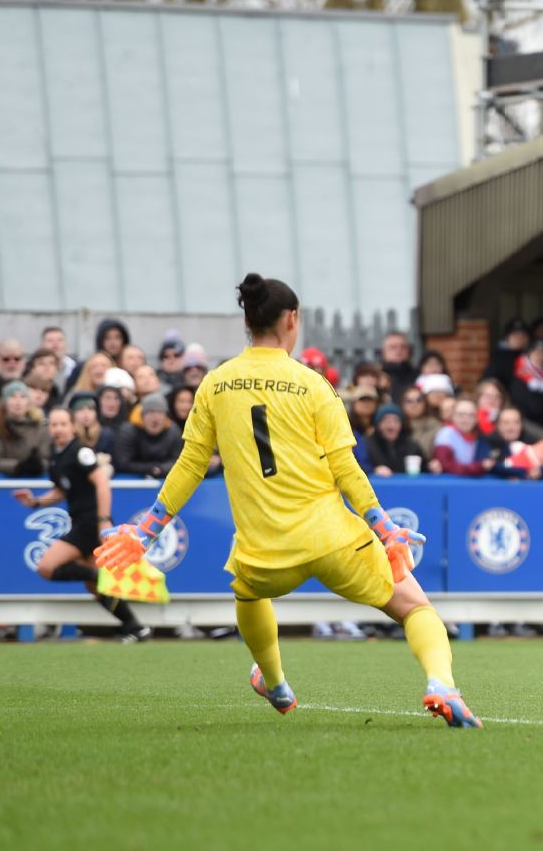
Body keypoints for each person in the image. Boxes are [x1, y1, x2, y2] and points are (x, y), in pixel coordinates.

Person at [94, 274, 479, 726]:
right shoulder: (313, 384)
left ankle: (274, 681)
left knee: (247, 591)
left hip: (265, 548)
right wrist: (384, 526)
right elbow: (345, 467)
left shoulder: (215, 384)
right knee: (415, 608)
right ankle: (441, 684)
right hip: (333, 539)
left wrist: (146, 531)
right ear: (292, 319)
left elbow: (190, 465)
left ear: (247, 320)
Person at [13, 406, 149, 642]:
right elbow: (60, 491)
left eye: (63, 424)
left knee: (46, 567)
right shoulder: (57, 457)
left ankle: (101, 581)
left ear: (72, 427)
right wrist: (35, 502)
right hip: (81, 523)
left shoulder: (80, 452)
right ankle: (135, 627)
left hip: (90, 524)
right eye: (54, 425)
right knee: (95, 586)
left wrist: (104, 521)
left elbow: (102, 483)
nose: (58, 429)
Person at [113, 394, 183, 478]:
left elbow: (178, 460)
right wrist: (151, 468)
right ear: (142, 416)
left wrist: (162, 469)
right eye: (151, 412)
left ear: (166, 416)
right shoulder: (128, 431)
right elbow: (121, 462)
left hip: (163, 477)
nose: (155, 417)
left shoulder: (174, 431)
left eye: (159, 412)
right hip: (131, 478)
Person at [430, 397, 496, 477]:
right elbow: (447, 466)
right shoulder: (446, 434)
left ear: (476, 418)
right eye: (461, 414)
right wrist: (480, 467)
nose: (465, 419)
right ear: (453, 416)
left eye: (471, 415)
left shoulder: (481, 439)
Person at [0, 381, 49, 476]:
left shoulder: (41, 428)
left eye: (22, 397)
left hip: (35, 481)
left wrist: (39, 466)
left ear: (28, 402)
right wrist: (19, 466)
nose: (18, 402)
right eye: (12, 397)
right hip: (3, 482)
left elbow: (47, 458)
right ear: (5, 402)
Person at [366, 403, 426, 477]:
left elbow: (425, 468)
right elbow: (359, 466)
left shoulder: (412, 446)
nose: (391, 426)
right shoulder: (367, 445)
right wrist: (373, 470)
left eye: (396, 421)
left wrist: (432, 466)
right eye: (386, 421)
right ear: (378, 425)